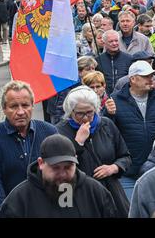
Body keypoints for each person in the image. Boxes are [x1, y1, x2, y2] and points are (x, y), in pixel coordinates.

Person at [0, 134, 117, 218]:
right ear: (41, 163)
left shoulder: (95, 191)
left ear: (76, 161)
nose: (62, 174)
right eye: (55, 168)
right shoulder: (20, 199)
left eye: (68, 167)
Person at [56, 86, 131, 217]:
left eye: (90, 112)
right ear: (70, 112)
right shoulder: (59, 131)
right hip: (77, 194)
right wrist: (78, 142)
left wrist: (114, 167)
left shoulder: (106, 125)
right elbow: (59, 168)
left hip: (111, 193)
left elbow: (125, 156)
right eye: (79, 113)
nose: (85, 118)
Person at [108, 61, 155, 200]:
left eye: (152, 76)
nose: (151, 79)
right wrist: (109, 114)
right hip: (127, 171)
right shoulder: (115, 101)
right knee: (130, 211)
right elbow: (109, 133)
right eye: (146, 76)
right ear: (133, 79)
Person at [0, 81, 57, 208]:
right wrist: (4, 211)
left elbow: (63, 172)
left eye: (25, 105)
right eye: (14, 106)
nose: (20, 112)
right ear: (4, 108)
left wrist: (65, 205)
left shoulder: (50, 132)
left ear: (32, 106)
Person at [95, 30, 133, 95]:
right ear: (104, 43)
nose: (114, 43)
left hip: (124, 96)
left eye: (116, 41)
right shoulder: (97, 60)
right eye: (111, 41)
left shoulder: (129, 58)